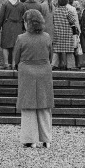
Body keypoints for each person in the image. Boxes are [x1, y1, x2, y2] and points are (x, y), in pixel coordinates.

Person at [13, 9, 54, 148]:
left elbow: (16, 58)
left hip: (27, 73)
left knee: (28, 105)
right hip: (44, 71)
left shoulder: (21, 38)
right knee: (44, 105)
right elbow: (50, 56)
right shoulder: (47, 37)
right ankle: (46, 139)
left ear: (27, 23)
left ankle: (30, 139)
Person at [0, 0, 24, 68]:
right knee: (15, 46)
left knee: (5, 46)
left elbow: (1, 17)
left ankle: (6, 63)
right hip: (18, 26)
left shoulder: (5, 4)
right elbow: (24, 16)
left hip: (7, 26)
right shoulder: (21, 5)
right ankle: (13, 63)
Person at [52, 0, 79, 70]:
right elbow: (72, 21)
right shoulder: (68, 11)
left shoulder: (55, 11)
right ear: (66, 3)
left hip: (57, 32)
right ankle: (71, 65)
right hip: (67, 32)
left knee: (56, 50)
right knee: (69, 51)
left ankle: (54, 64)